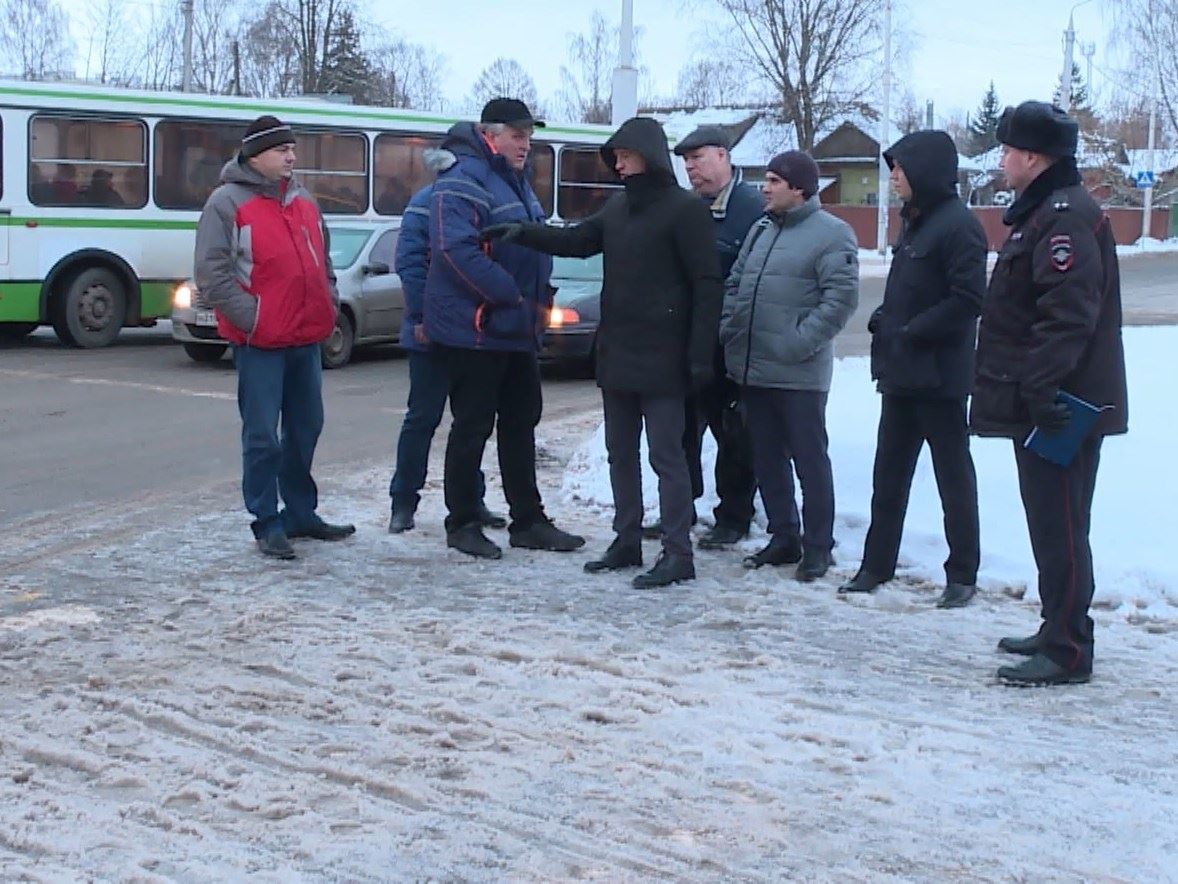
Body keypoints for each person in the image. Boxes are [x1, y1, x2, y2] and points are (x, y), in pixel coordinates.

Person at [483, 116, 722, 589]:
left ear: (648, 155)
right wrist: (525, 231)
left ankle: (678, 552)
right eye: (615, 156)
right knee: (620, 453)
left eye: (626, 154)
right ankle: (626, 540)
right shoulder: (618, 209)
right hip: (618, 354)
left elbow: (707, 286)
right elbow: (576, 240)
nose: (618, 162)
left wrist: (700, 355)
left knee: (667, 457)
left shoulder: (684, 210)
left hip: (666, 357)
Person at [971, 101, 1127, 686]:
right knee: (1051, 524)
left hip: (1061, 408)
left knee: (1062, 527)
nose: (1003, 160)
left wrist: (1039, 392)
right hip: (1045, 402)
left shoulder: (1063, 217)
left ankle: (1067, 651)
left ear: (1034, 157)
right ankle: (1055, 625)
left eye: (1009, 150)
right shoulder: (1045, 213)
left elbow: (1067, 316)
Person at [423, 97, 584, 560]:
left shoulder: (515, 183)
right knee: (472, 425)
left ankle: (528, 520)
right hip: (477, 329)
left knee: (521, 424)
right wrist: (511, 296)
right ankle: (463, 522)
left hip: (516, 328)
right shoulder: (461, 181)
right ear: (489, 134)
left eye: (529, 135)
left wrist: (540, 296)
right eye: (517, 135)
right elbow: (455, 252)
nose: (525, 144)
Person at [195, 115, 355, 559]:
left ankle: (301, 513)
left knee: (306, 428)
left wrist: (328, 299)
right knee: (263, 435)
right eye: (281, 150)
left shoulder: (302, 200)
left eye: (292, 149)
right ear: (255, 155)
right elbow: (212, 276)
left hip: (304, 338)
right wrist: (254, 319)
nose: (291, 157)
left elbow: (322, 260)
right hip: (261, 343)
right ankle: (266, 520)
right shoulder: (226, 204)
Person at [838, 130, 985, 608]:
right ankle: (875, 565)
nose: (893, 177)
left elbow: (967, 300)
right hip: (901, 375)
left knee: (953, 481)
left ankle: (961, 574)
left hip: (939, 380)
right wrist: (889, 318)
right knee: (889, 477)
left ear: (926, 172)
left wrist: (913, 330)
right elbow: (913, 287)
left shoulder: (959, 226)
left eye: (900, 168)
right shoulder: (916, 223)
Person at [720, 150, 858, 582]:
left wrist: (797, 342)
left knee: (809, 461)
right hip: (754, 368)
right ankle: (784, 536)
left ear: (799, 188)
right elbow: (736, 283)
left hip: (799, 374)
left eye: (775, 181)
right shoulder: (762, 230)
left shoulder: (833, 234)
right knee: (766, 458)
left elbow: (840, 301)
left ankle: (819, 547)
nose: (765, 187)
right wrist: (730, 327)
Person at [388, 132, 505, 535]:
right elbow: (410, 263)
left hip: (469, 332)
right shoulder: (426, 204)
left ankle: (472, 499)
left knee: (470, 423)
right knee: (423, 418)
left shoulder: (476, 201)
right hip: (431, 334)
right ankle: (403, 502)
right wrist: (422, 317)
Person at [664, 125, 762, 551]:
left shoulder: (753, 208)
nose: (691, 170)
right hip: (687, 339)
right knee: (683, 428)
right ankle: (679, 509)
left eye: (698, 159)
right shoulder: (687, 208)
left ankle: (735, 515)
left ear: (723, 156)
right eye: (685, 162)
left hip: (729, 342)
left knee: (732, 432)